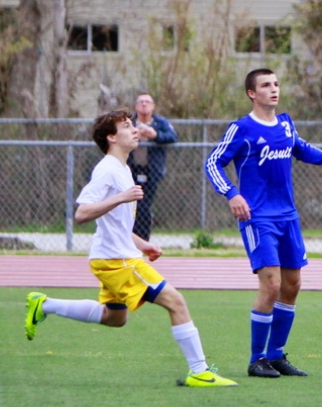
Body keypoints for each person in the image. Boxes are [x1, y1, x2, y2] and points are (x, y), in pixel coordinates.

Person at [24, 110, 236, 387]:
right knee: (176, 301)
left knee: (114, 318)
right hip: (117, 261)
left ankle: (45, 304)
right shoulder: (107, 169)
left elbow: (115, 225)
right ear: (112, 137)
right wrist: (123, 197)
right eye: (126, 126)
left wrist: (143, 243)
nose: (135, 129)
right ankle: (199, 371)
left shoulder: (123, 168)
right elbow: (82, 213)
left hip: (113, 255)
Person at [204, 68, 322, 378]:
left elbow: (302, 149)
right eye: (266, 85)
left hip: (288, 217)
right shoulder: (241, 129)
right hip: (258, 218)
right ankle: (256, 360)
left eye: (276, 84)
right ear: (252, 93)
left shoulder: (285, 124)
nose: (274, 89)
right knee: (272, 285)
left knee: (292, 286)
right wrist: (232, 193)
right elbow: (213, 162)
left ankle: (276, 355)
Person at [127, 93, 177, 241]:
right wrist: (134, 135)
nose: (144, 104)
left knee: (144, 207)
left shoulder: (159, 122)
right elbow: (116, 136)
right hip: (131, 170)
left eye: (147, 102)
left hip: (151, 170)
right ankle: (129, 240)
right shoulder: (129, 122)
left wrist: (155, 135)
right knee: (131, 207)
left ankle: (142, 241)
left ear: (153, 106)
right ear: (136, 106)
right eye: (141, 102)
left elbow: (172, 137)